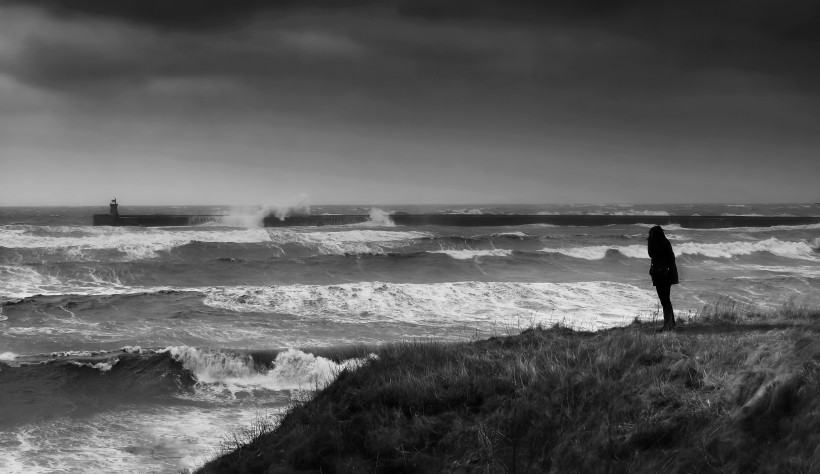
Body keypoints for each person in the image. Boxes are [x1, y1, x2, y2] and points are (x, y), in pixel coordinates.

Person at [647, 225, 678, 331]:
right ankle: (670, 324)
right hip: (664, 274)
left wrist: (650, 241)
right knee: (665, 300)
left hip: (662, 275)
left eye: (651, 234)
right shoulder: (665, 242)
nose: (650, 236)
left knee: (664, 300)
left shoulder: (660, 243)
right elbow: (670, 258)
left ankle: (668, 324)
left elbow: (651, 254)